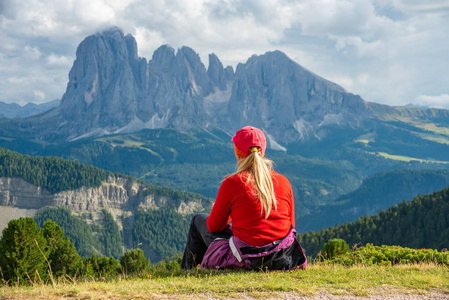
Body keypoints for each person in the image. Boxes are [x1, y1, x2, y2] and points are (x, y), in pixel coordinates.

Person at [180, 126, 307, 270]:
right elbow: (290, 225)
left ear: (237, 153)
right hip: (282, 258)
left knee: (198, 219)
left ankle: (187, 271)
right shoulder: (284, 182)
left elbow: (214, 226)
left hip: (247, 258)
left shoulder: (232, 183)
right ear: (263, 151)